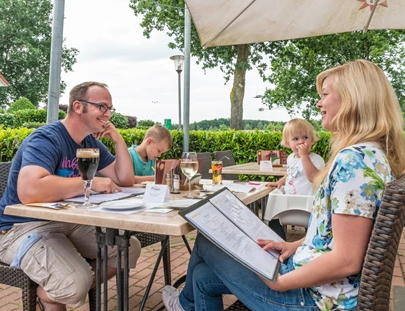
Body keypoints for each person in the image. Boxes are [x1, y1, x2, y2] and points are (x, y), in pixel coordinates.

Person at [161, 59, 405, 311]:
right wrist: (295, 244)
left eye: (325, 94)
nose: (319, 103)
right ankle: (186, 304)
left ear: (352, 99)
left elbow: (346, 260)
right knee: (202, 277)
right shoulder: (374, 156)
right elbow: (342, 237)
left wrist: (281, 282)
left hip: (317, 299)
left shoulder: (353, 161)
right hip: (325, 285)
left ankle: (183, 305)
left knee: (205, 240)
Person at [0, 81, 142, 311]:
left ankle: (55, 291)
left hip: (66, 223)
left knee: (127, 247)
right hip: (20, 228)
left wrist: (117, 138)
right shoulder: (46, 138)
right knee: (75, 281)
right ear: (78, 106)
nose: (108, 114)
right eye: (102, 107)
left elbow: (124, 179)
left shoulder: (90, 143)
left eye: (111, 108)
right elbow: (29, 190)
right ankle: (66, 287)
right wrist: (89, 184)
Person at [268, 118, 325, 196]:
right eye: (295, 139)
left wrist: (304, 156)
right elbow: (291, 174)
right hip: (291, 199)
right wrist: (280, 182)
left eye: (305, 137)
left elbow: (314, 178)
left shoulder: (316, 159)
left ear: (311, 140)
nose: (301, 141)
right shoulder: (291, 158)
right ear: (288, 143)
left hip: (306, 202)